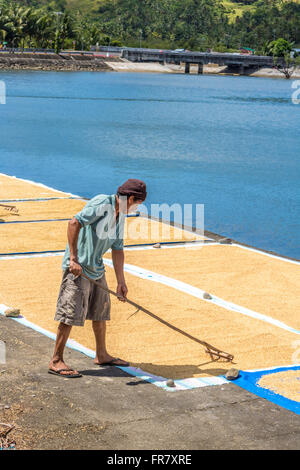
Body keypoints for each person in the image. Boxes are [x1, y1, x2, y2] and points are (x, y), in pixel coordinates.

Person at [48, 179, 147, 377]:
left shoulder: (120, 216)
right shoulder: (103, 204)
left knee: (100, 312)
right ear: (132, 199)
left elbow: (117, 249)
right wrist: (73, 259)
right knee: (70, 313)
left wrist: (121, 281)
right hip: (78, 268)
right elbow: (74, 222)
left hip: (96, 269)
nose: (137, 208)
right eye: (138, 204)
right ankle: (56, 360)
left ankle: (101, 355)